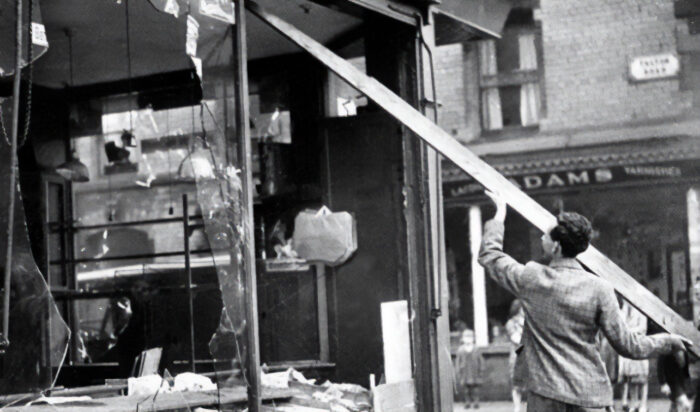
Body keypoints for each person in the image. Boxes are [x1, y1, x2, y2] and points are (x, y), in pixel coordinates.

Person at [478, 190, 691, 412]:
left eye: (546, 235)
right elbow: (629, 346)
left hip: (545, 396)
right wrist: (669, 341)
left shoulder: (531, 278)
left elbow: (490, 255)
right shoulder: (600, 288)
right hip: (589, 396)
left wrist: (500, 213)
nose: (542, 237)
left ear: (557, 247)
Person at [617, 300, 649, 412]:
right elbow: (620, 326)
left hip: (640, 345)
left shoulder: (641, 310)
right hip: (628, 347)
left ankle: (643, 404)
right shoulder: (624, 311)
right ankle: (634, 403)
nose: (627, 302)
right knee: (631, 378)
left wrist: (628, 331)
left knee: (642, 378)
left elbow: (643, 328)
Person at [455, 329, 485, 409]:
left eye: (470, 337)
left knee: (475, 388)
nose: (468, 339)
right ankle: (467, 402)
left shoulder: (476, 349)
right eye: (466, 337)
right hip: (465, 372)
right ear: (463, 339)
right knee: (466, 389)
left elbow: (481, 360)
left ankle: (476, 402)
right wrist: (458, 371)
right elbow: (458, 361)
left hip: (474, 371)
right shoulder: (460, 350)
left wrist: (481, 370)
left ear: (473, 339)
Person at [506, 299, 526, 412]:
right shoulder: (511, 323)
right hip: (517, 355)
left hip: (528, 355)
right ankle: (517, 408)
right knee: (516, 383)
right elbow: (516, 339)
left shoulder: (529, 322)